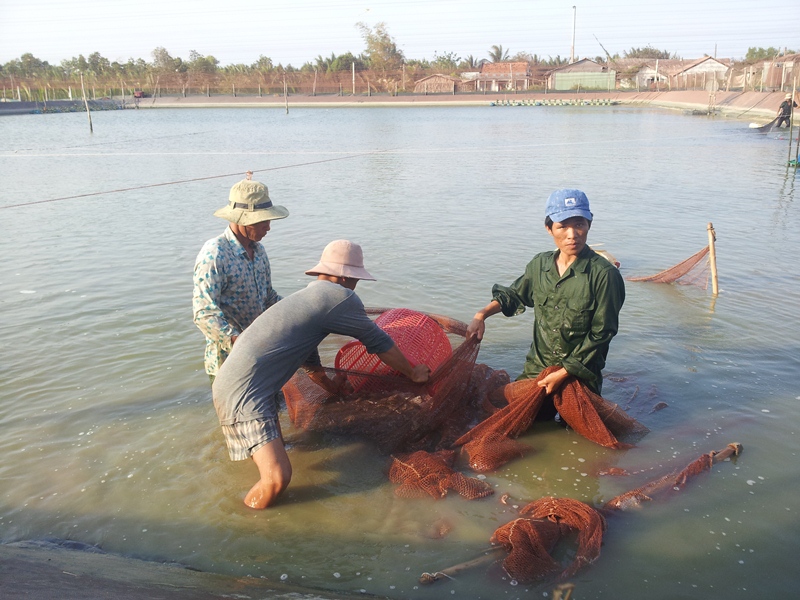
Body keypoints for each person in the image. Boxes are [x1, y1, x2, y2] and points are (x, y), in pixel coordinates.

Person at [211, 240, 431, 509]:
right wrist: (413, 372)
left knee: (275, 454)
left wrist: (329, 386)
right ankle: (242, 527)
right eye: (354, 279)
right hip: (247, 393)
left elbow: (307, 356)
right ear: (344, 276)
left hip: (236, 382)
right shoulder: (341, 297)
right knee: (278, 478)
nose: (354, 285)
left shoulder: (309, 297)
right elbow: (379, 343)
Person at [466, 189, 625, 418]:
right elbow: (514, 295)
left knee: (576, 437)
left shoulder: (605, 275)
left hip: (580, 376)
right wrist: (481, 315)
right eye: (562, 226)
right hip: (537, 370)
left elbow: (602, 333)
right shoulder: (540, 265)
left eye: (579, 224)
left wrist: (564, 372)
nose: (572, 235)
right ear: (549, 228)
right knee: (517, 422)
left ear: (589, 224)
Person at [193, 178, 289, 383]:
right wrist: (241, 345)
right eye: (264, 221)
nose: (268, 228)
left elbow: (269, 297)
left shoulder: (259, 250)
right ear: (243, 219)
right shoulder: (215, 253)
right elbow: (204, 313)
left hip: (262, 356)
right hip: (229, 364)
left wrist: (300, 309)